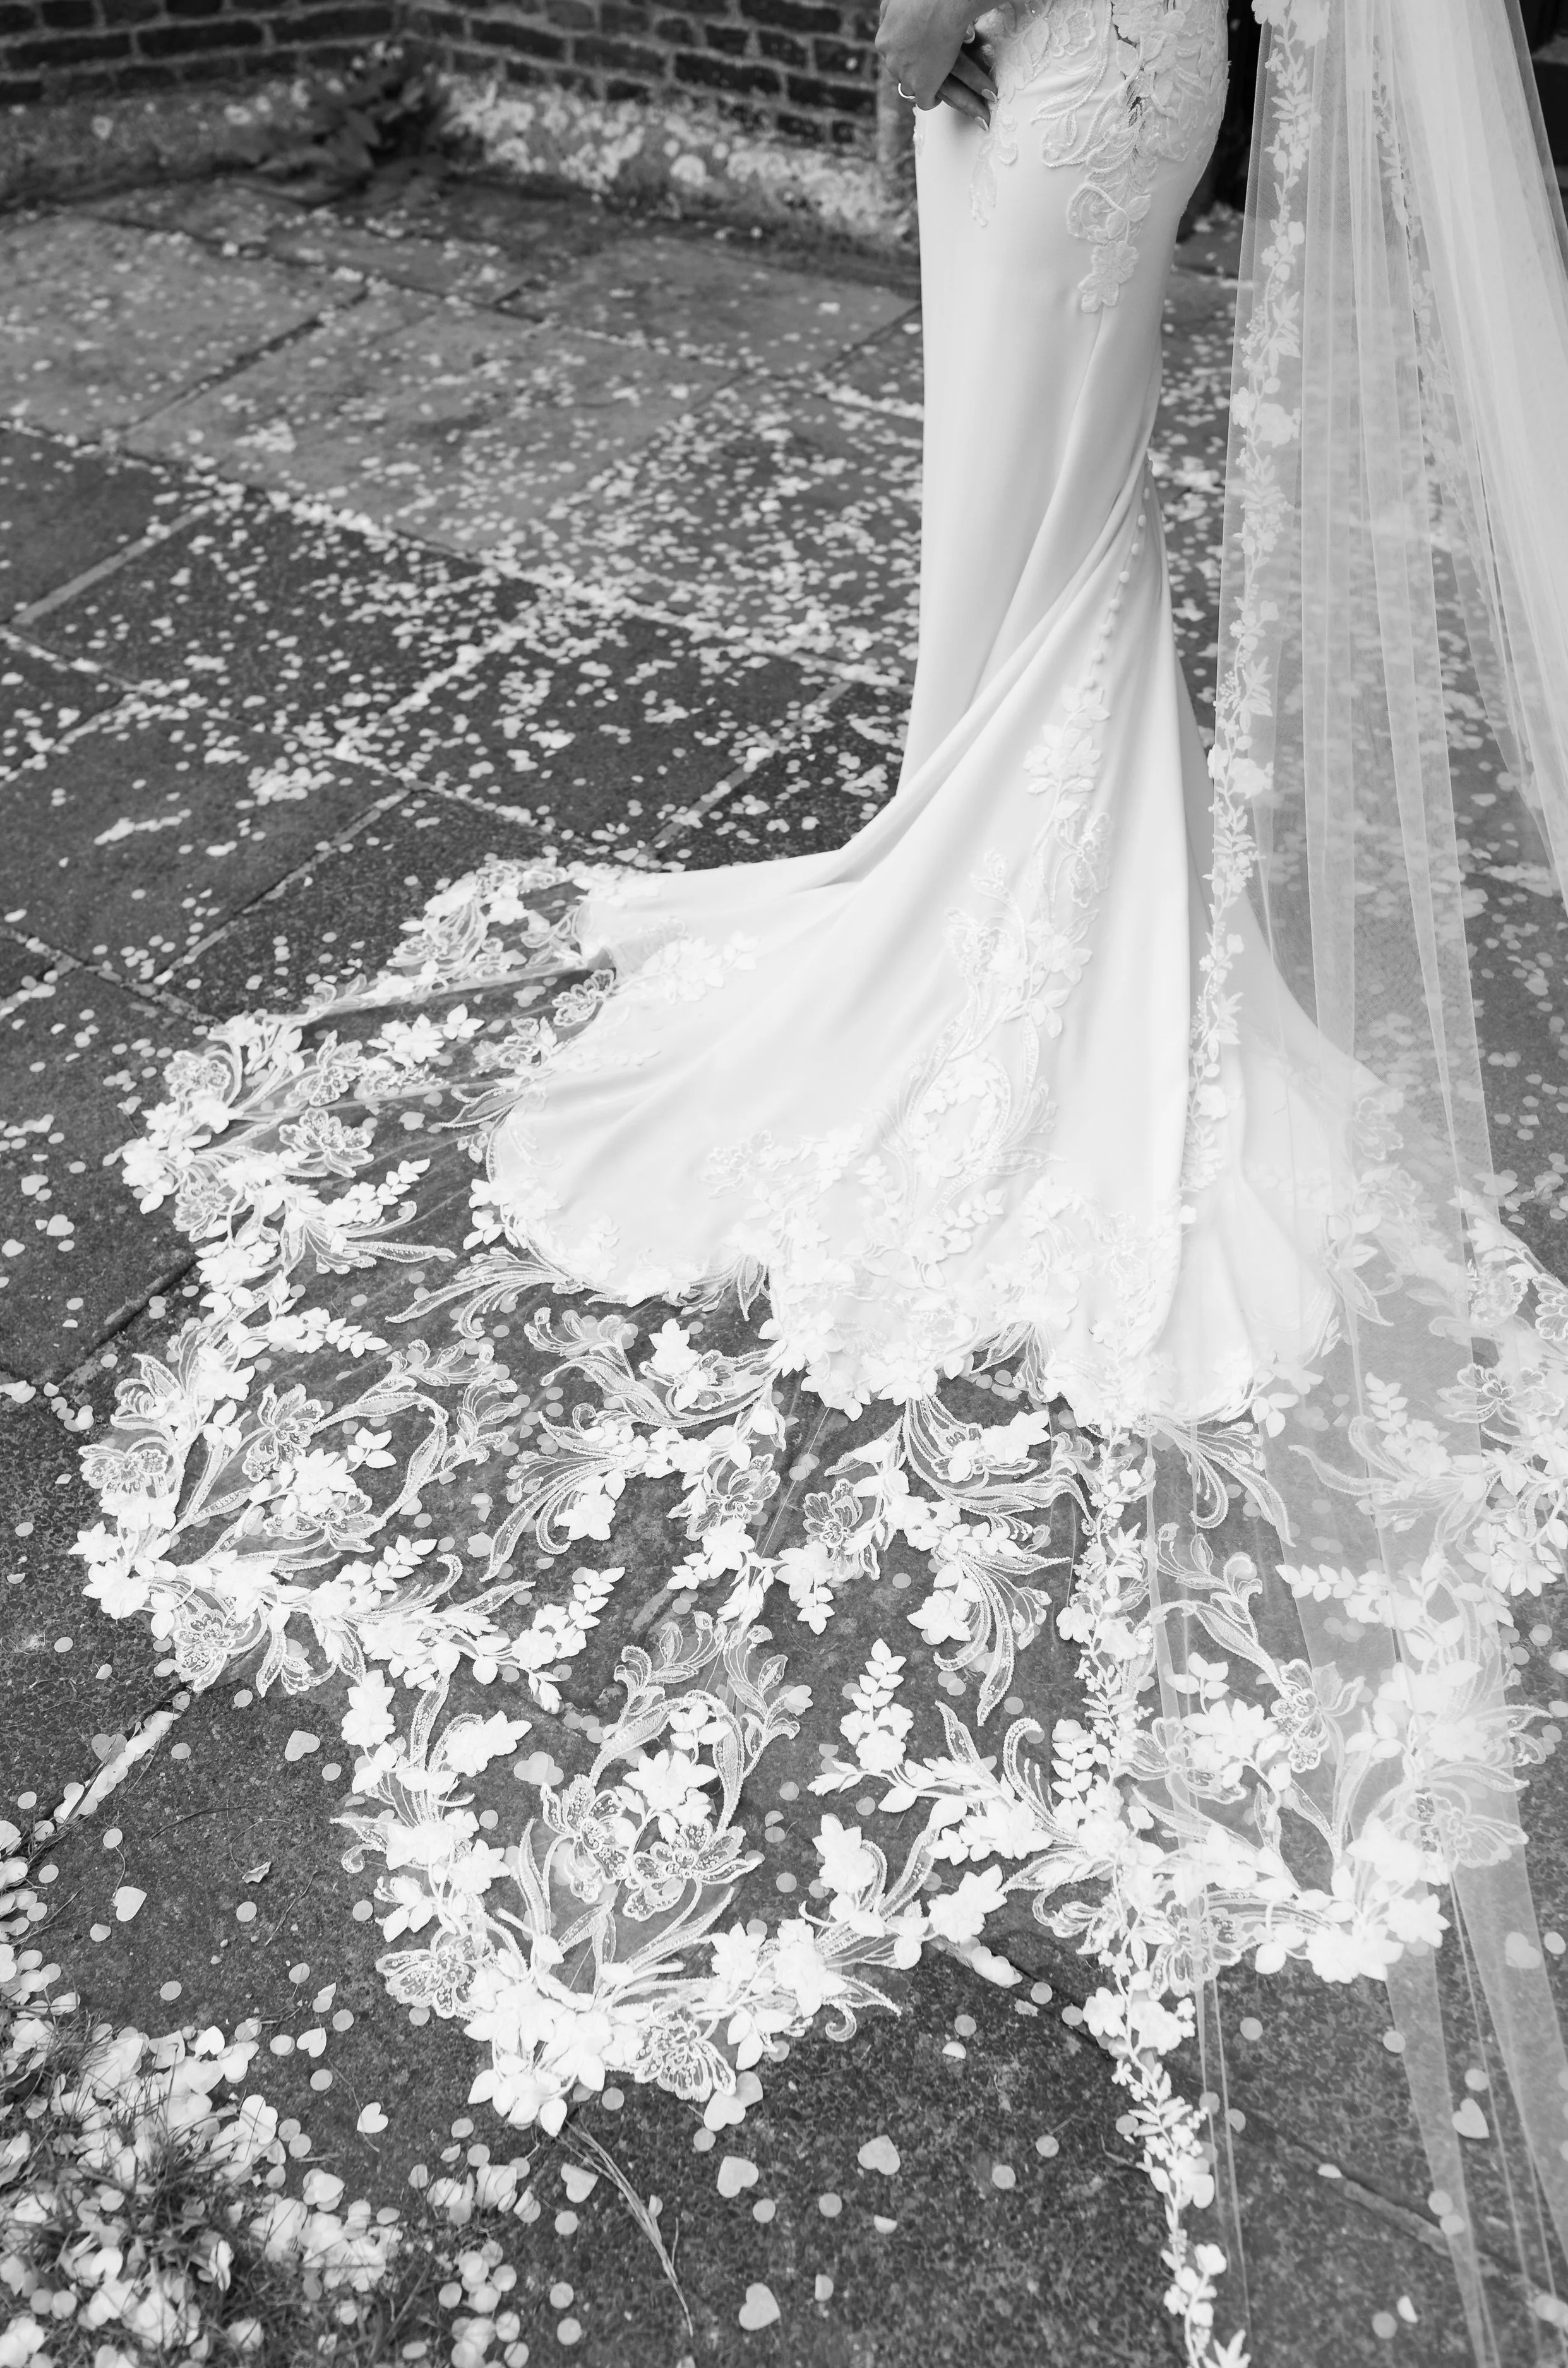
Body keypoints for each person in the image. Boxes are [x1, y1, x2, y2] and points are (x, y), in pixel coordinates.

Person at [87, 3, 1568, 2355]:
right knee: (1032, 547)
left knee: (1039, 542)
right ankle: (996, 892)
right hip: (1117, 65)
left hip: (1047, 59)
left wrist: (916, 23)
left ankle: (1018, 959)